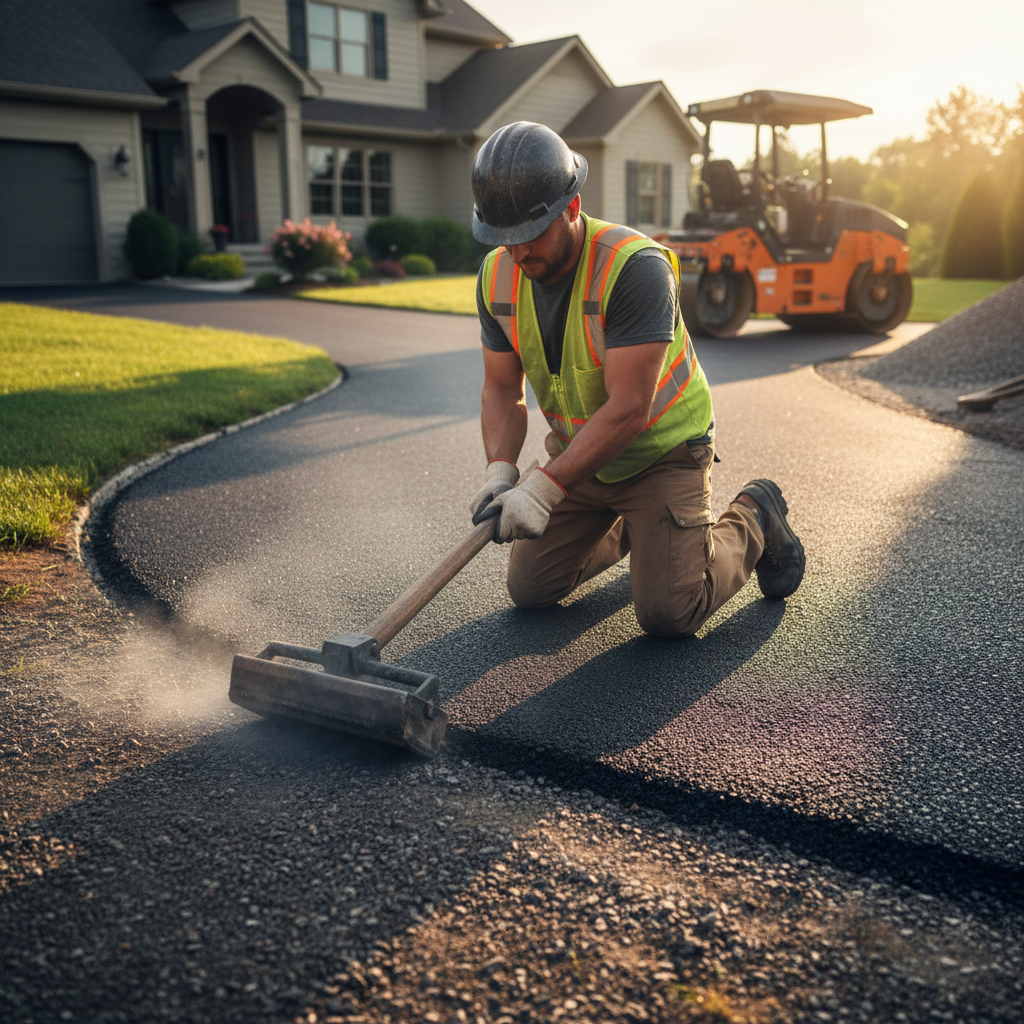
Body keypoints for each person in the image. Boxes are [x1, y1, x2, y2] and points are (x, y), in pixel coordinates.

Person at [468, 121, 804, 637]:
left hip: (661, 453)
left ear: (572, 208)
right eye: (503, 239)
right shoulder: (496, 276)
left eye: (530, 236)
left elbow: (629, 409)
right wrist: (499, 469)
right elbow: (500, 388)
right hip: (583, 457)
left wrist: (544, 489)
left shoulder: (635, 269)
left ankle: (755, 515)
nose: (517, 255)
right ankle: (644, 531)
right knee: (530, 591)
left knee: (669, 614)